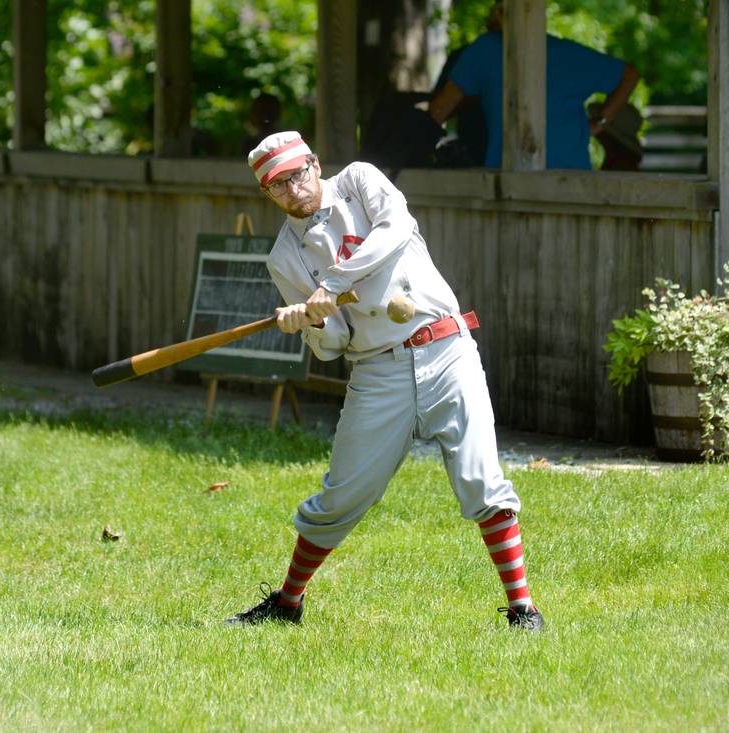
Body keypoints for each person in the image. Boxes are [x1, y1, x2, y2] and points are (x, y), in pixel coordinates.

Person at [225, 130, 544, 631]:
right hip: (377, 371)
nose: (293, 190)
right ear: (266, 194)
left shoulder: (359, 181)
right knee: (341, 495)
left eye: (297, 175)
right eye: (277, 186)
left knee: (481, 480)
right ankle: (287, 603)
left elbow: (395, 229)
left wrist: (333, 282)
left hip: (445, 348)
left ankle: (523, 609)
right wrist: (308, 322)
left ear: (315, 162)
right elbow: (332, 346)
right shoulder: (284, 258)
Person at [429, 0, 641, 170]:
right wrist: (599, 123)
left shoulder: (484, 49)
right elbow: (629, 75)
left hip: (508, 183)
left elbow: (438, 110)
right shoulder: (569, 54)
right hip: (571, 182)